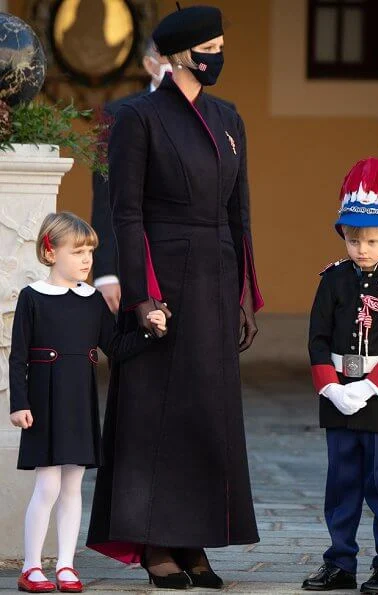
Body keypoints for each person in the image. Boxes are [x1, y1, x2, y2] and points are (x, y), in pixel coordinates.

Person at [86, 4, 264, 590]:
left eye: (220, 44)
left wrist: (243, 293)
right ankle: (156, 543)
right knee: (154, 415)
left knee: (206, 415)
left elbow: (240, 213)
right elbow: (126, 212)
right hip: (163, 275)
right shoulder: (137, 117)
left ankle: (194, 541)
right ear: (181, 54)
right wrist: (140, 296)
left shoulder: (229, 117)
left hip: (215, 278)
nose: (217, 55)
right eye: (208, 46)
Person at [10, 212, 166, 594]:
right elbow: (17, 357)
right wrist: (19, 403)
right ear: (50, 252)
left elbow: (114, 347)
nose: (86, 259)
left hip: (79, 400)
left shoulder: (93, 300)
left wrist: (152, 333)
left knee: (73, 485)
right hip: (44, 403)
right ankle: (32, 567)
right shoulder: (32, 298)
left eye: (90, 252)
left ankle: (65, 565)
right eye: (77, 251)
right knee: (46, 486)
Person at [302, 158, 378, 594]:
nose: (361, 248)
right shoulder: (332, 279)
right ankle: (340, 563)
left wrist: (369, 387)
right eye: (353, 239)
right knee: (341, 482)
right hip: (336, 396)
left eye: (371, 239)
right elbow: (317, 337)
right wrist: (331, 386)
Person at [91, 38, 173, 313]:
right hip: (135, 259)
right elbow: (105, 196)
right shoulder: (117, 113)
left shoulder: (216, 112)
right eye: (167, 60)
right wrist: (105, 271)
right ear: (149, 64)